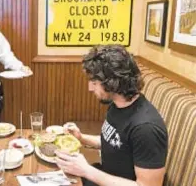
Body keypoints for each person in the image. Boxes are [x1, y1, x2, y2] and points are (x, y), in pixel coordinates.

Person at [55, 45, 168, 186]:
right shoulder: (117, 104)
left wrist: (86, 170)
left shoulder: (146, 128)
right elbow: (115, 143)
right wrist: (81, 138)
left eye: (95, 83)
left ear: (112, 83)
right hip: (104, 175)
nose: (90, 88)